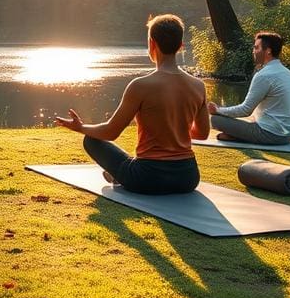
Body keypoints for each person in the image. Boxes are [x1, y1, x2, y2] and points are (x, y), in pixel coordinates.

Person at [55, 14, 210, 195]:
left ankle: (118, 176)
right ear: (181, 46)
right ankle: (118, 174)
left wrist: (80, 127)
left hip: (147, 178)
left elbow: (111, 132)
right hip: (187, 178)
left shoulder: (140, 86)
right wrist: (176, 127)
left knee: (92, 140)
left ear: (152, 43)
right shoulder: (198, 86)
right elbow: (202, 133)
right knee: (128, 161)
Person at [207, 31, 290, 145]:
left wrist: (218, 110)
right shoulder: (287, 72)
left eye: (257, 48)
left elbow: (245, 110)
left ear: (268, 51)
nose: (253, 51)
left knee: (213, 119)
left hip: (270, 134)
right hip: (288, 135)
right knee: (248, 120)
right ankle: (237, 136)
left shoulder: (264, 75)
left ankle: (238, 136)